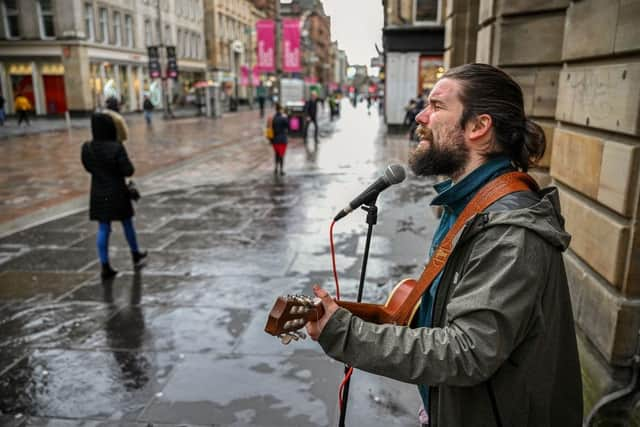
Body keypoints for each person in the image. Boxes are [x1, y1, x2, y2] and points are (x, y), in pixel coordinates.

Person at [305, 63, 583, 426]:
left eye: (436, 107)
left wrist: (345, 333)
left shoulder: (508, 230)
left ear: (478, 127)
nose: (420, 115)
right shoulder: (469, 204)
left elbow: (466, 351)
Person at [81, 112, 147, 279]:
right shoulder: (116, 147)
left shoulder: (87, 147)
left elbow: (88, 168)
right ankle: (135, 253)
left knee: (104, 228)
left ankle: (105, 265)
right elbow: (128, 170)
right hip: (117, 191)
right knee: (127, 223)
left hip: (98, 192)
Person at [267, 103, 289, 176]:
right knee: (281, 155)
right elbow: (289, 125)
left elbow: (269, 128)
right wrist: (286, 116)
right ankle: (281, 170)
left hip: (275, 140)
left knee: (276, 154)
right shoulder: (283, 118)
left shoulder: (273, 118)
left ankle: (276, 168)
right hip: (282, 139)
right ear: (280, 109)